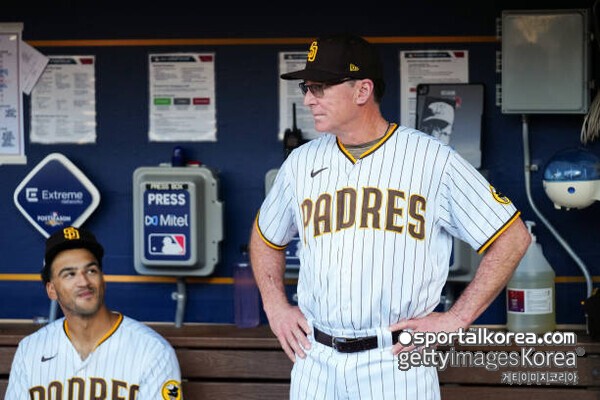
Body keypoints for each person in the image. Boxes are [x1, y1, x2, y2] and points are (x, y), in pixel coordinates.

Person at [249, 33, 531, 399]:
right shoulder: (300, 163)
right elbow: (265, 237)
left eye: (320, 87)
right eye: (307, 87)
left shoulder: (431, 159)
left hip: (394, 359)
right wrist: (275, 307)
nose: (308, 99)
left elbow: (512, 237)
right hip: (315, 359)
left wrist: (457, 318)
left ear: (362, 90)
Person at [5, 226, 183, 400]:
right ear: (51, 290)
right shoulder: (30, 350)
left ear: (102, 279)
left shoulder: (152, 350)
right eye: (70, 274)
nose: (84, 282)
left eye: (91, 271)